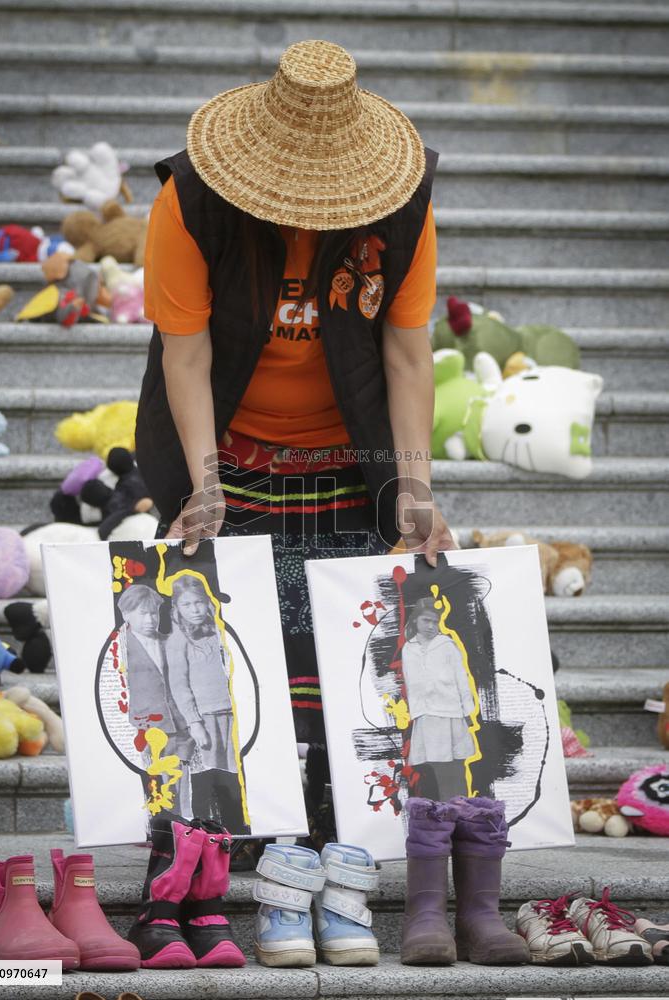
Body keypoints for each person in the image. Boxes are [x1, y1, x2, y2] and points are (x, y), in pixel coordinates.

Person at [136, 39, 456, 834]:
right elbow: (187, 351)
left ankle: (326, 827)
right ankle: (223, 826)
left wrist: (414, 487)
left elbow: (408, 354)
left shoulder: (403, 208)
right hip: (229, 440)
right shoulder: (191, 202)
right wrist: (203, 486)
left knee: (335, 648)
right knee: (234, 636)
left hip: (350, 451)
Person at [166, 575, 249, 833]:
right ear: (177, 608)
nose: (195, 610)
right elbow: (179, 686)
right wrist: (194, 723)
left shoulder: (221, 632)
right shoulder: (177, 641)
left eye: (199, 603)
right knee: (213, 776)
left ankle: (239, 829)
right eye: (187, 605)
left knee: (238, 774)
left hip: (233, 714)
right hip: (206, 719)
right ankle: (212, 832)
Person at [116, 584, 193, 815]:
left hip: (179, 723)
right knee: (155, 785)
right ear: (126, 614)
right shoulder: (120, 647)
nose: (150, 619)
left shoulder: (169, 641)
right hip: (146, 726)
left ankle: (184, 826)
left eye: (154, 613)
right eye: (143, 613)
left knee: (182, 781)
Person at [401, 599, 475, 800]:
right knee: (433, 769)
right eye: (427, 621)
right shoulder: (409, 649)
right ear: (415, 620)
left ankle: (461, 809)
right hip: (426, 717)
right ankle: (442, 814)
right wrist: (416, 713)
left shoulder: (447, 645)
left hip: (449, 714)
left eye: (436, 621)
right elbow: (411, 683)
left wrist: (467, 711)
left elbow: (462, 678)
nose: (432, 626)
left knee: (455, 767)